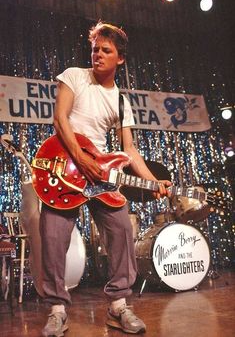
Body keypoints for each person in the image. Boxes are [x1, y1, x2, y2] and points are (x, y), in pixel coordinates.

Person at [40, 21, 172, 336]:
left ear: (120, 59)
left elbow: (130, 151)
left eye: (106, 50)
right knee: (52, 236)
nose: (98, 54)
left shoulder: (121, 102)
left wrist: (155, 181)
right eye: (95, 48)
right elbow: (60, 120)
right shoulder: (74, 76)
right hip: (65, 168)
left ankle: (118, 307)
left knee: (122, 230)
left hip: (99, 174)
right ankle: (58, 310)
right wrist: (82, 159)